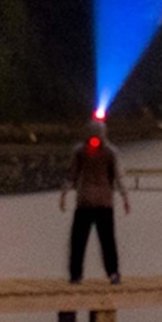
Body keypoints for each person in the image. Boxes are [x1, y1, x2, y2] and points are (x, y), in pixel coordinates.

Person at [61, 119, 130, 282]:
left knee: (78, 240)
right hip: (104, 202)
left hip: (84, 201)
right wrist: (125, 197)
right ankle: (112, 273)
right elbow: (119, 176)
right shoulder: (111, 152)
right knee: (107, 240)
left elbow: (71, 175)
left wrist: (63, 195)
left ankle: (76, 275)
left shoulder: (80, 150)